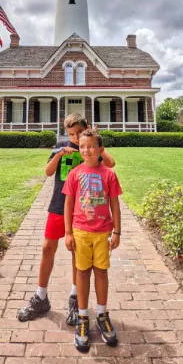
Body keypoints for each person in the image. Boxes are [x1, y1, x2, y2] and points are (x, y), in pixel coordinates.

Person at [17, 114, 115, 324]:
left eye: (79, 132)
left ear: (86, 129)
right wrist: (60, 154)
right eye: (71, 134)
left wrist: (95, 140)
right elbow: (48, 172)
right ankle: (41, 296)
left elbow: (111, 164)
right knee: (47, 248)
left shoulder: (89, 149)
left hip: (82, 211)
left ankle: (74, 298)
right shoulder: (62, 146)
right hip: (59, 205)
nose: (75, 137)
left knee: (76, 254)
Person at [63, 129, 122, 352]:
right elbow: (68, 204)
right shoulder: (74, 174)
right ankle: (83, 317)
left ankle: (102, 313)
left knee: (101, 272)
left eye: (91, 147)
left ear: (100, 150)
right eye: (82, 147)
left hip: (102, 232)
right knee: (82, 273)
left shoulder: (109, 174)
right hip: (80, 231)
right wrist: (68, 232)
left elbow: (115, 204)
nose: (86, 150)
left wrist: (117, 231)